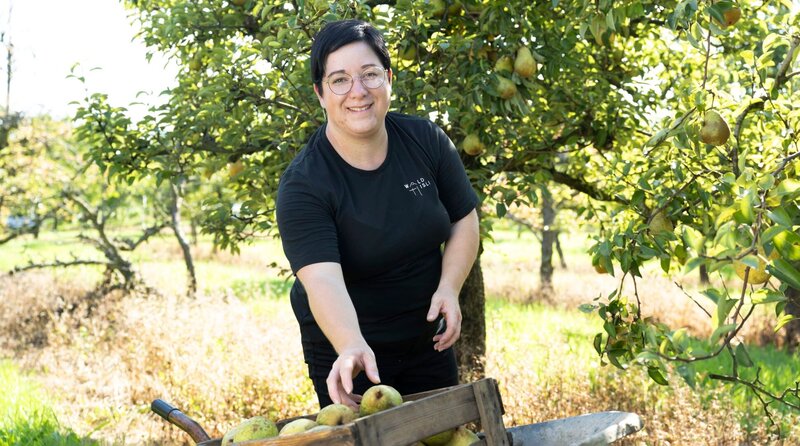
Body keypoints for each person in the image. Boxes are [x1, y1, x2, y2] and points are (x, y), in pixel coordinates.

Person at [275, 19, 480, 410]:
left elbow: (463, 219)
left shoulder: (426, 140)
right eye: (339, 80)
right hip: (351, 352)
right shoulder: (304, 186)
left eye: (369, 75)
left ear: (387, 79)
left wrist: (450, 288)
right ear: (320, 93)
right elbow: (322, 281)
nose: (358, 91)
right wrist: (350, 342)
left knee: (443, 436)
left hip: (429, 339)